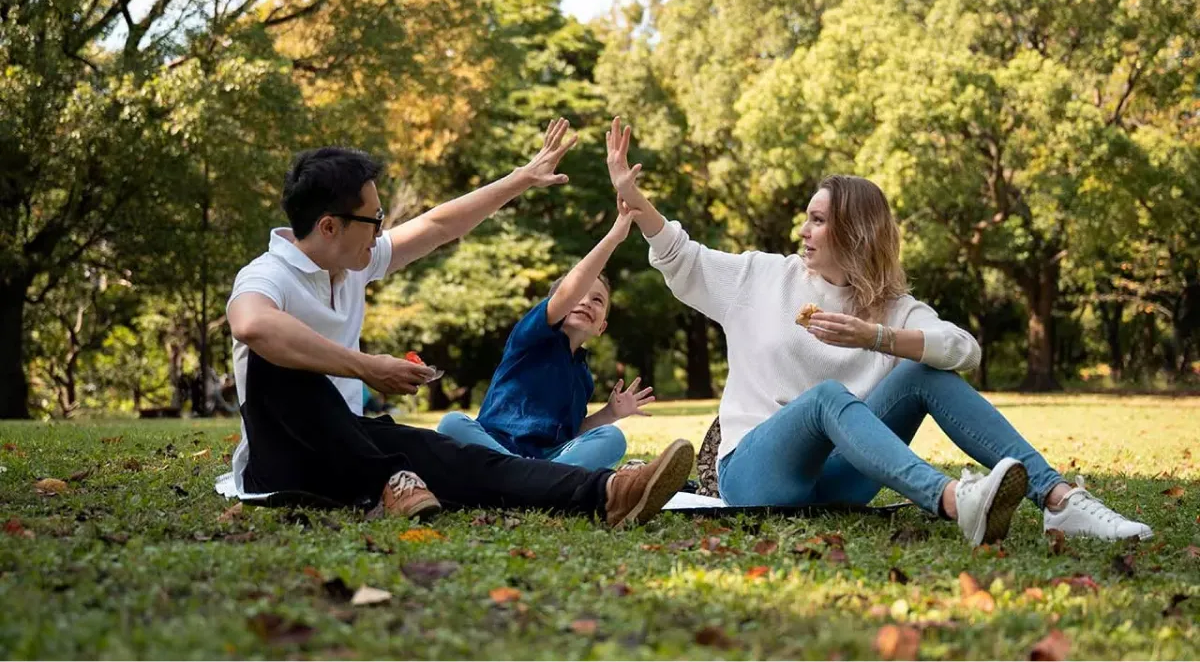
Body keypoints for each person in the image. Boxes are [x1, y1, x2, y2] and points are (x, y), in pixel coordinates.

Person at [603, 116, 1151, 545]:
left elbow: (964, 350)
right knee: (825, 399)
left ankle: (1059, 501)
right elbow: (682, 257)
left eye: (818, 220)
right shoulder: (763, 276)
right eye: (808, 217)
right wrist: (636, 198)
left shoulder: (894, 308)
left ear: (856, 232)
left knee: (925, 372)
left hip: (840, 485)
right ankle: (957, 502)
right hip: (756, 473)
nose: (804, 229)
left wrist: (877, 338)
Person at [214, 118, 694, 526]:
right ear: (329, 227)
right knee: (275, 357)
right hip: (285, 461)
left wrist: (521, 179)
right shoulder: (268, 274)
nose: (381, 232)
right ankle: (387, 476)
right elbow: (252, 326)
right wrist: (364, 367)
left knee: (465, 459)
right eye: (374, 220)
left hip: (356, 443)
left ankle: (610, 493)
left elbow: (438, 226)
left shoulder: (352, 264)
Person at [437, 203, 653, 470]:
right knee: (452, 423)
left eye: (597, 300)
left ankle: (530, 480)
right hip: (495, 449)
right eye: (578, 294)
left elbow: (570, 436)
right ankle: (535, 480)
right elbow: (567, 293)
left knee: (612, 438)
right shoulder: (531, 337)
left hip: (546, 460)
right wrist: (613, 238)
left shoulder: (583, 378)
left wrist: (610, 414)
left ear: (601, 327)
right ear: (557, 303)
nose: (586, 302)